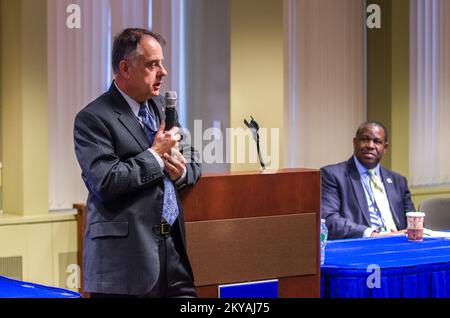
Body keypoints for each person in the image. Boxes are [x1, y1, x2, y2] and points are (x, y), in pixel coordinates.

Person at [73, 28, 201, 297]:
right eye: (152, 64)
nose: (163, 72)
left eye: (162, 63)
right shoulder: (93, 118)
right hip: (124, 265)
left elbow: (194, 161)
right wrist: (155, 156)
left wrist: (180, 172)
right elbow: (106, 181)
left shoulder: (161, 110)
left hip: (173, 253)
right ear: (125, 68)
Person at [321, 121, 415, 239]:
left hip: (400, 244)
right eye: (364, 139)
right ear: (355, 143)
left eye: (377, 141)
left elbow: (413, 219)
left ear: (385, 148)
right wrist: (372, 234)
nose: (370, 145)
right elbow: (329, 219)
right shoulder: (333, 175)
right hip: (363, 246)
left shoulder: (398, 181)